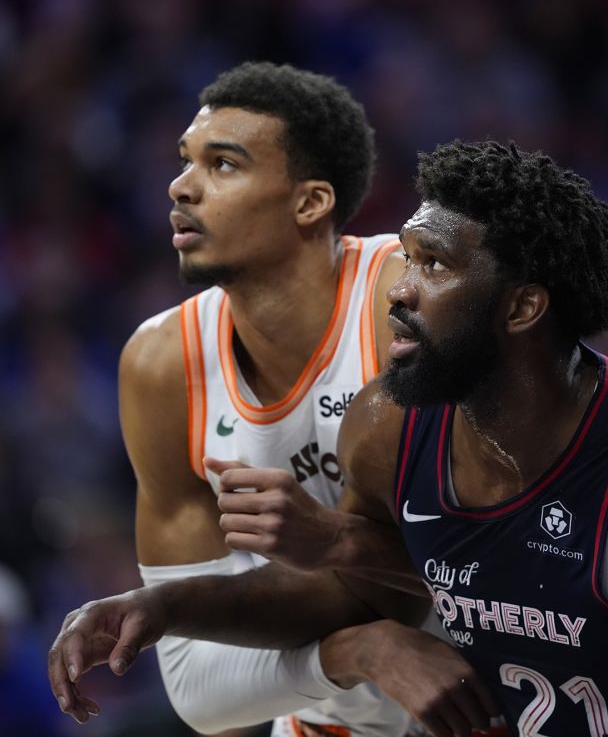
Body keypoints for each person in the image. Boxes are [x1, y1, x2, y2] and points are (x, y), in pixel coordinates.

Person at [50, 140, 608, 736]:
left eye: (432, 266)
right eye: (404, 258)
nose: (396, 288)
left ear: (522, 309)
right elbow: (350, 592)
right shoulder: (386, 428)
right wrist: (162, 605)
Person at [111, 61, 415, 737]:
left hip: (506, 702)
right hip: (326, 723)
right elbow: (197, 690)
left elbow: (520, 578)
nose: (180, 186)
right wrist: (352, 652)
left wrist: (337, 541)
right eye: (186, 161)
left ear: (310, 203)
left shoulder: (404, 302)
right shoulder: (162, 364)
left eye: (223, 165)